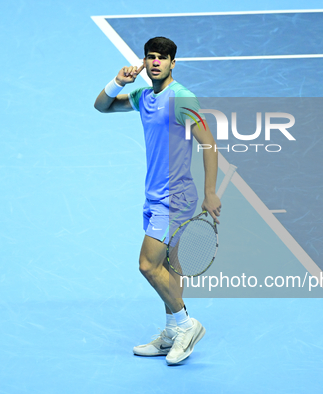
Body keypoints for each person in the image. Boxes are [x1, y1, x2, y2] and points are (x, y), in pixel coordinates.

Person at [94, 37, 220, 365]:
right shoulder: (143, 96)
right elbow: (102, 105)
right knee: (169, 267)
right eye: (150, 57)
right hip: (153, 195)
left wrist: (210, 192)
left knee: (148, 265)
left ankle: (186, 324)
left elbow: (209, 144)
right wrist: (117, 81)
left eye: (162, 58)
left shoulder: (181, 98)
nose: (154, 63)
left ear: (172, 63)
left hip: (174, 198)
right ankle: (171, 334)